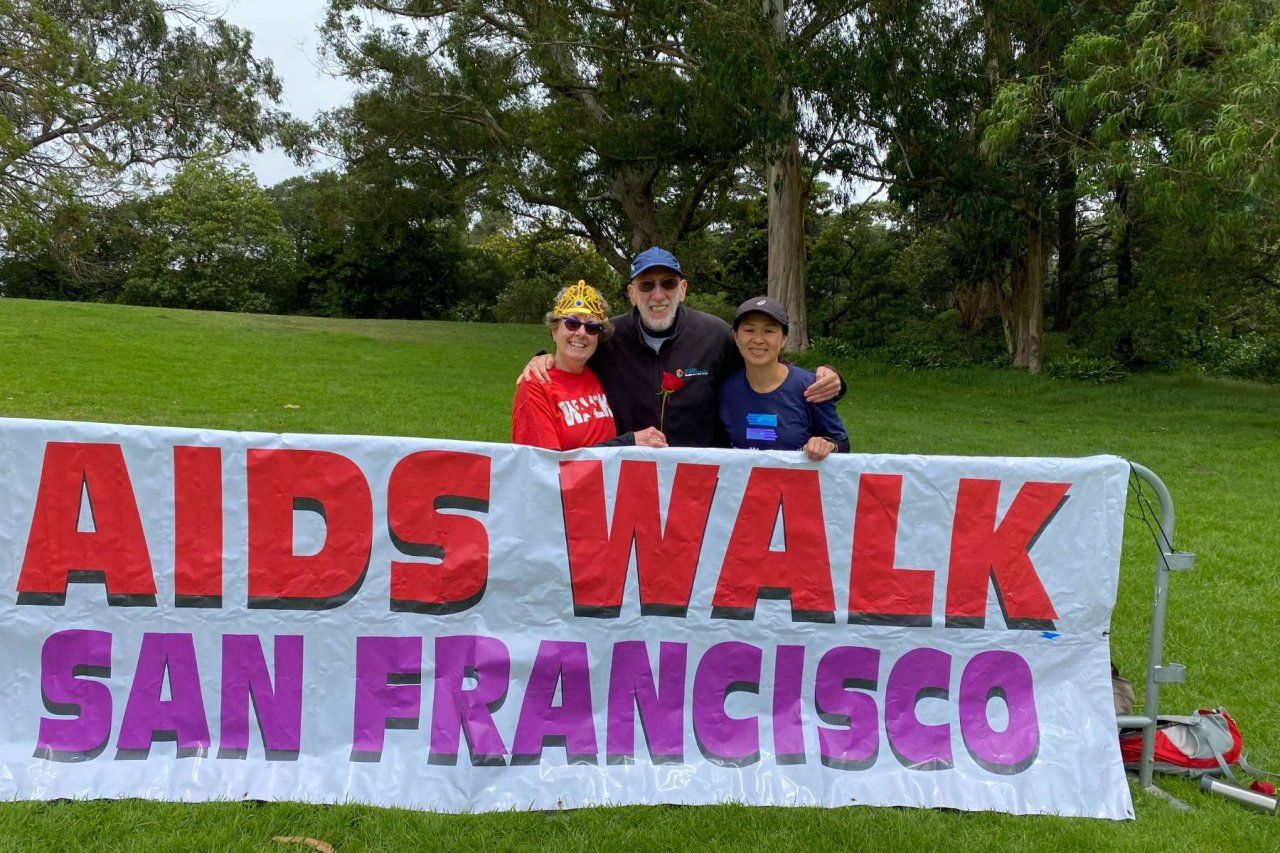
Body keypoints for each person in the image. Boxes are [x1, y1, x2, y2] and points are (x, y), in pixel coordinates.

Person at [520, 247, 843, 447]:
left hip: (701, 477)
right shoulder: (609, 335)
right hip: (627, 477)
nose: (658, 295)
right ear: (632, 293)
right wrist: (542, 358)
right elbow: (575, 349)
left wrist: (830, 379)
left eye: (668, 284)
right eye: (647, 285)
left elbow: (765, 363)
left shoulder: (714, 333)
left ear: (683, 289)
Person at [511, 281, 668, 450]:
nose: (581, 333)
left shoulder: (598, 373)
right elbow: (545, 466)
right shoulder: (536, 385)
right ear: (554, 330)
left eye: (592, 327)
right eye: (572, 323)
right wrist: (629, 442)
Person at [719, 296, 849, 461]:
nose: (758, 339)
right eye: (749, 330)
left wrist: (828, 444)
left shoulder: (812, 388)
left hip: (795, 485)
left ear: (784, 338)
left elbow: (842, 443)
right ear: (736, 337)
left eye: (769, 331)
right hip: (742, 485)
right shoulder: (725, 389)